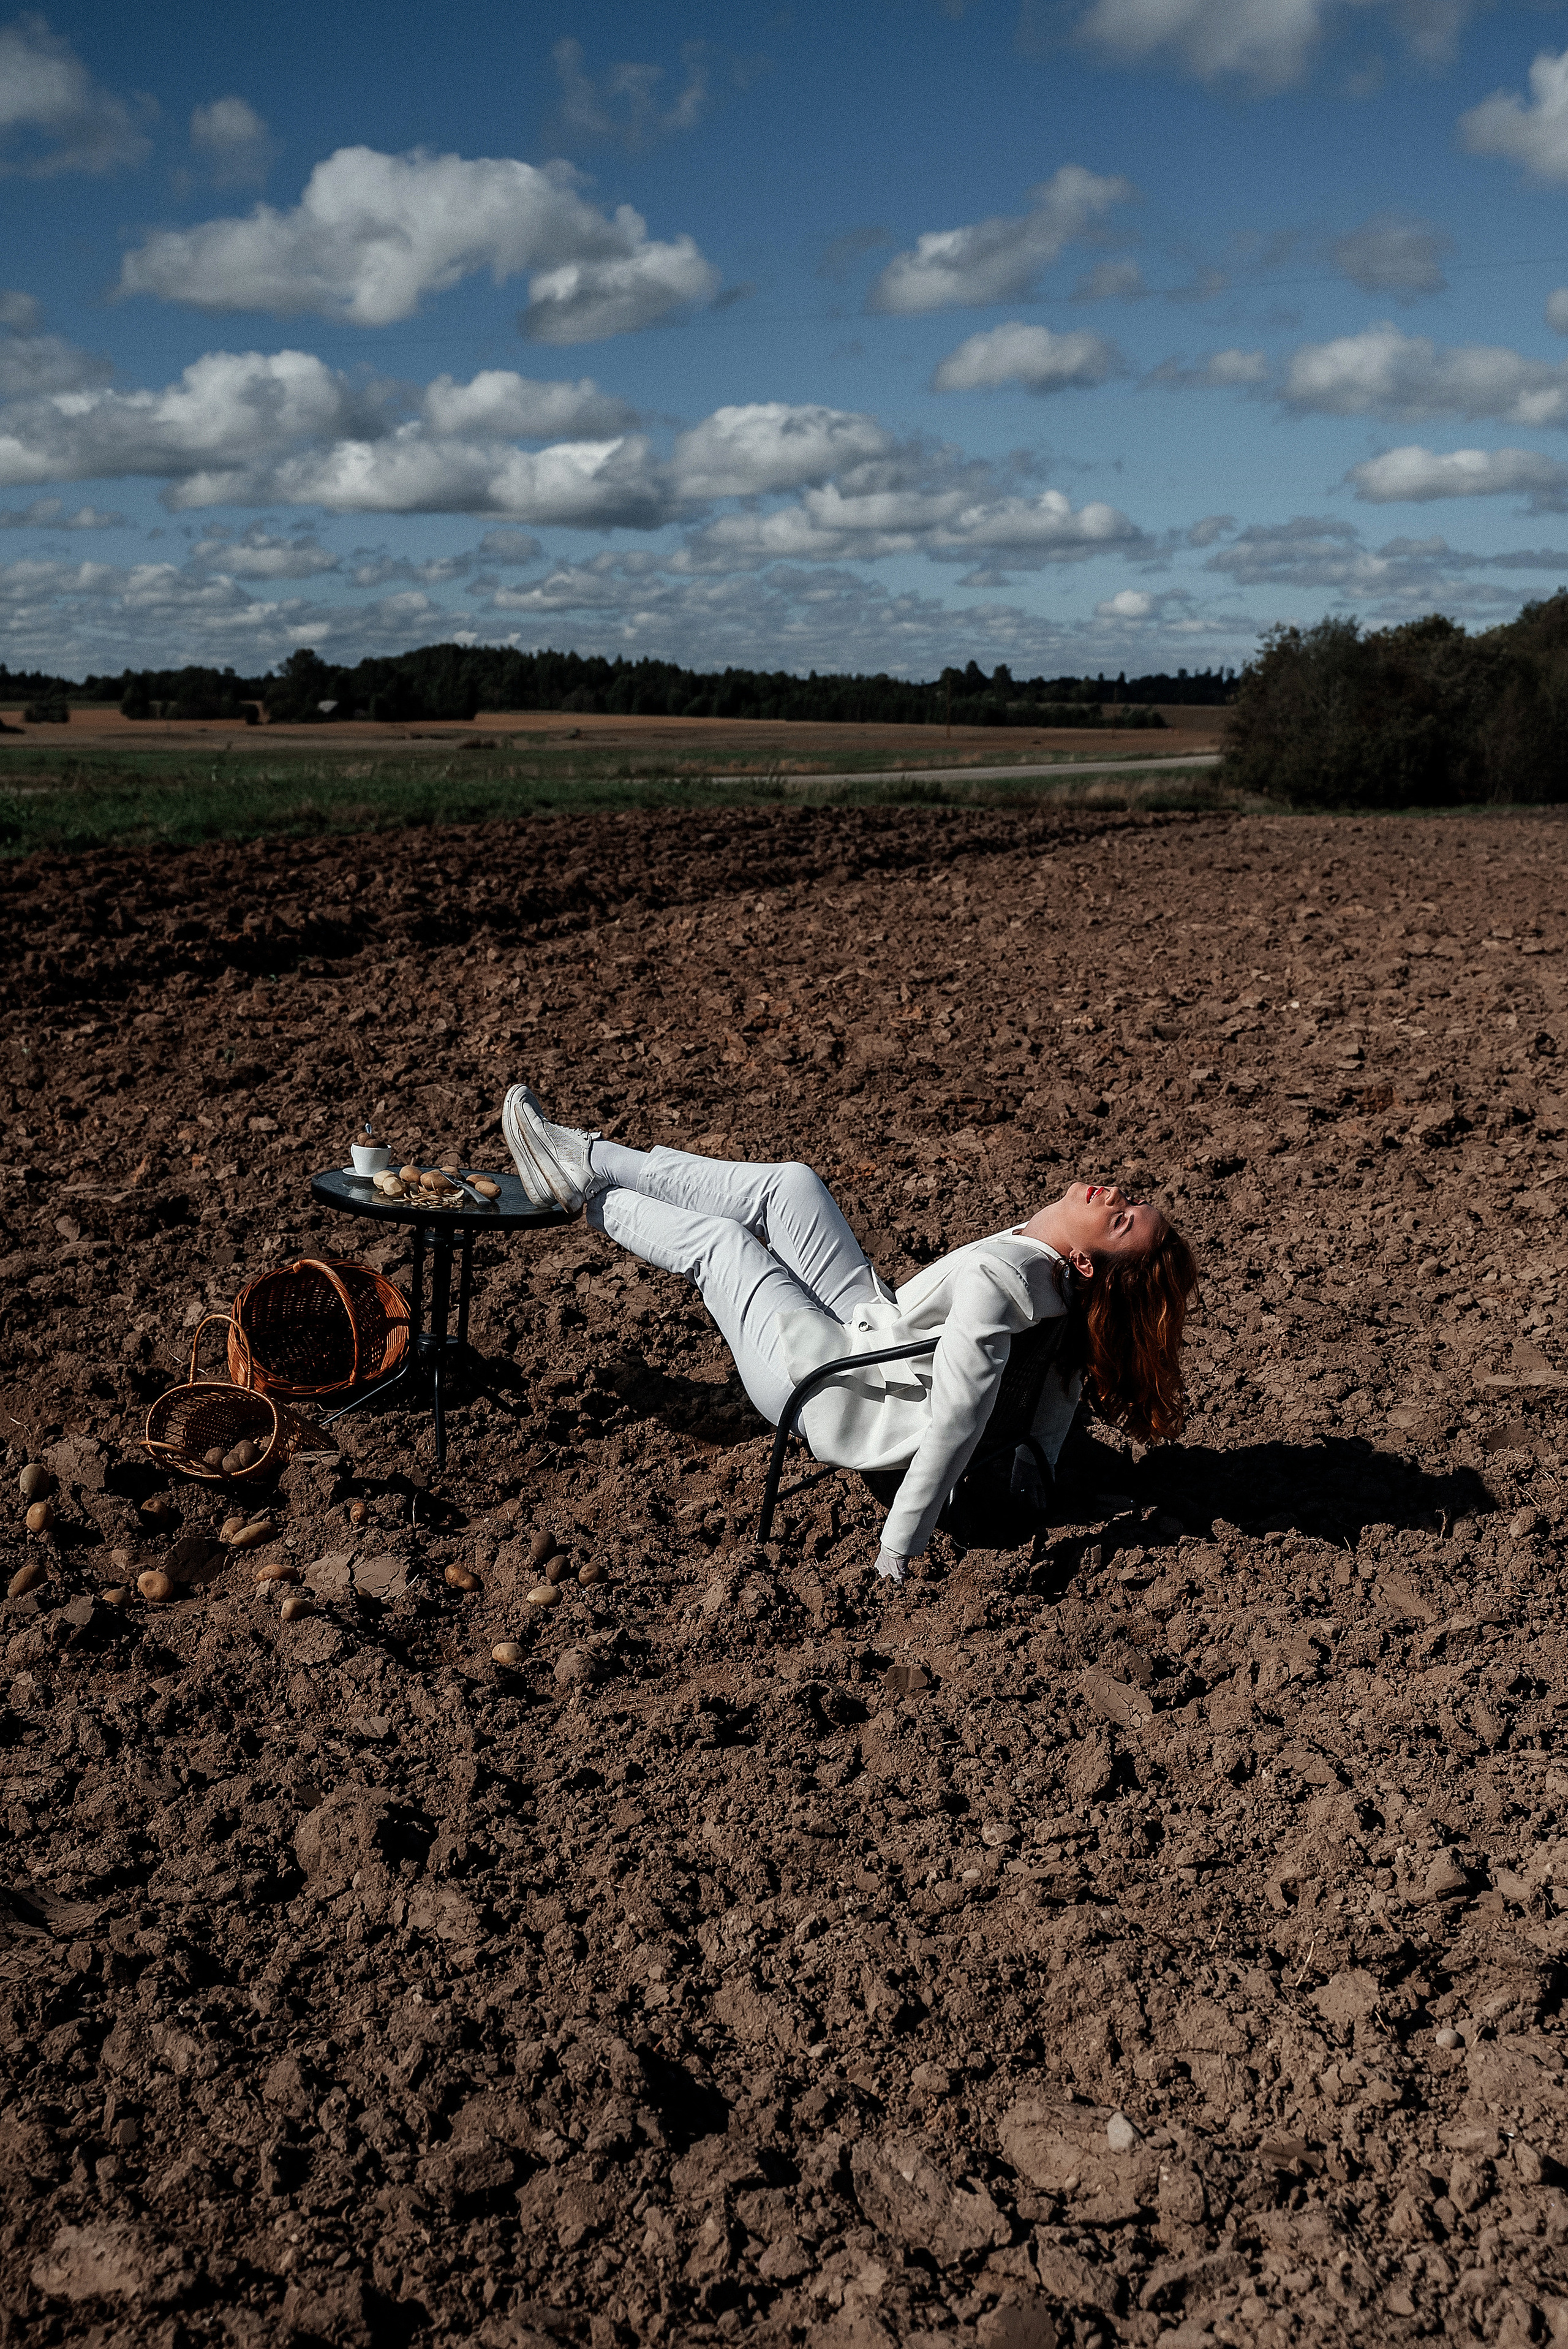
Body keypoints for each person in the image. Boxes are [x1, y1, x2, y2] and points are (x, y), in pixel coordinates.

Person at [502, 1083, 1197, 1583]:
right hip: (876, 1331)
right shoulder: (1053, 1276)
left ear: (1084, 1261)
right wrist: (1038, 1473)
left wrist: (900, 1546)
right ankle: (586, 1159)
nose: (1115, 1196)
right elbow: (1063, 1385)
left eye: (1120, 1220)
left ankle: (578, 1192)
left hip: (835, 1387)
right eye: (1130, 1203)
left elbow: (960, 1417)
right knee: (792, 1186)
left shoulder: (1003, 1285)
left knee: (720, 1245)